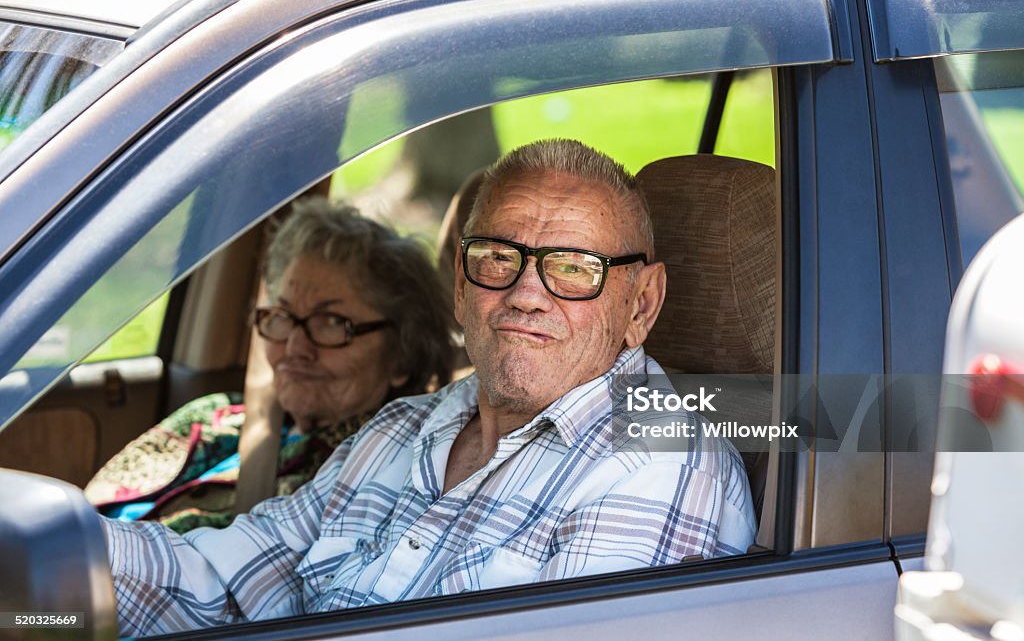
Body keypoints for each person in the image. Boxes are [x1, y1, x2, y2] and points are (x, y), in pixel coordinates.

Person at [103, 139, 756, 636]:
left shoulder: (660, 462)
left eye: (573, 267)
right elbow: (220, 583)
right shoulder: (399, 429)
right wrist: (57, 558)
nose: (526, 294)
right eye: (498, 258)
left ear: (641, 304)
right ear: (462, 287)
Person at [86, 198, 455, 533]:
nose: (295, 346)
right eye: (283, 316)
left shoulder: (380, 473)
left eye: (331, 322)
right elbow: (86, 516)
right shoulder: (213, 417)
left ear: (401, 355)